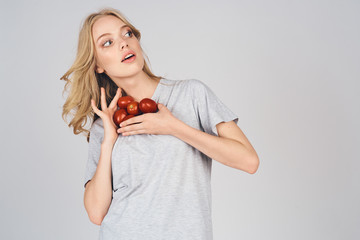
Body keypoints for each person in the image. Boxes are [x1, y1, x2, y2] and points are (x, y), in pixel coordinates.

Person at [60, 7, 259, 240]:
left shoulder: (190, 93)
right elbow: (95, 213)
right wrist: (108, 140)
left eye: (127, 34)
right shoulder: (104, 125)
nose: (124, 43)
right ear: (97, 65)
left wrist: (173, 127)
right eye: (107, 43)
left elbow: (249, 161)